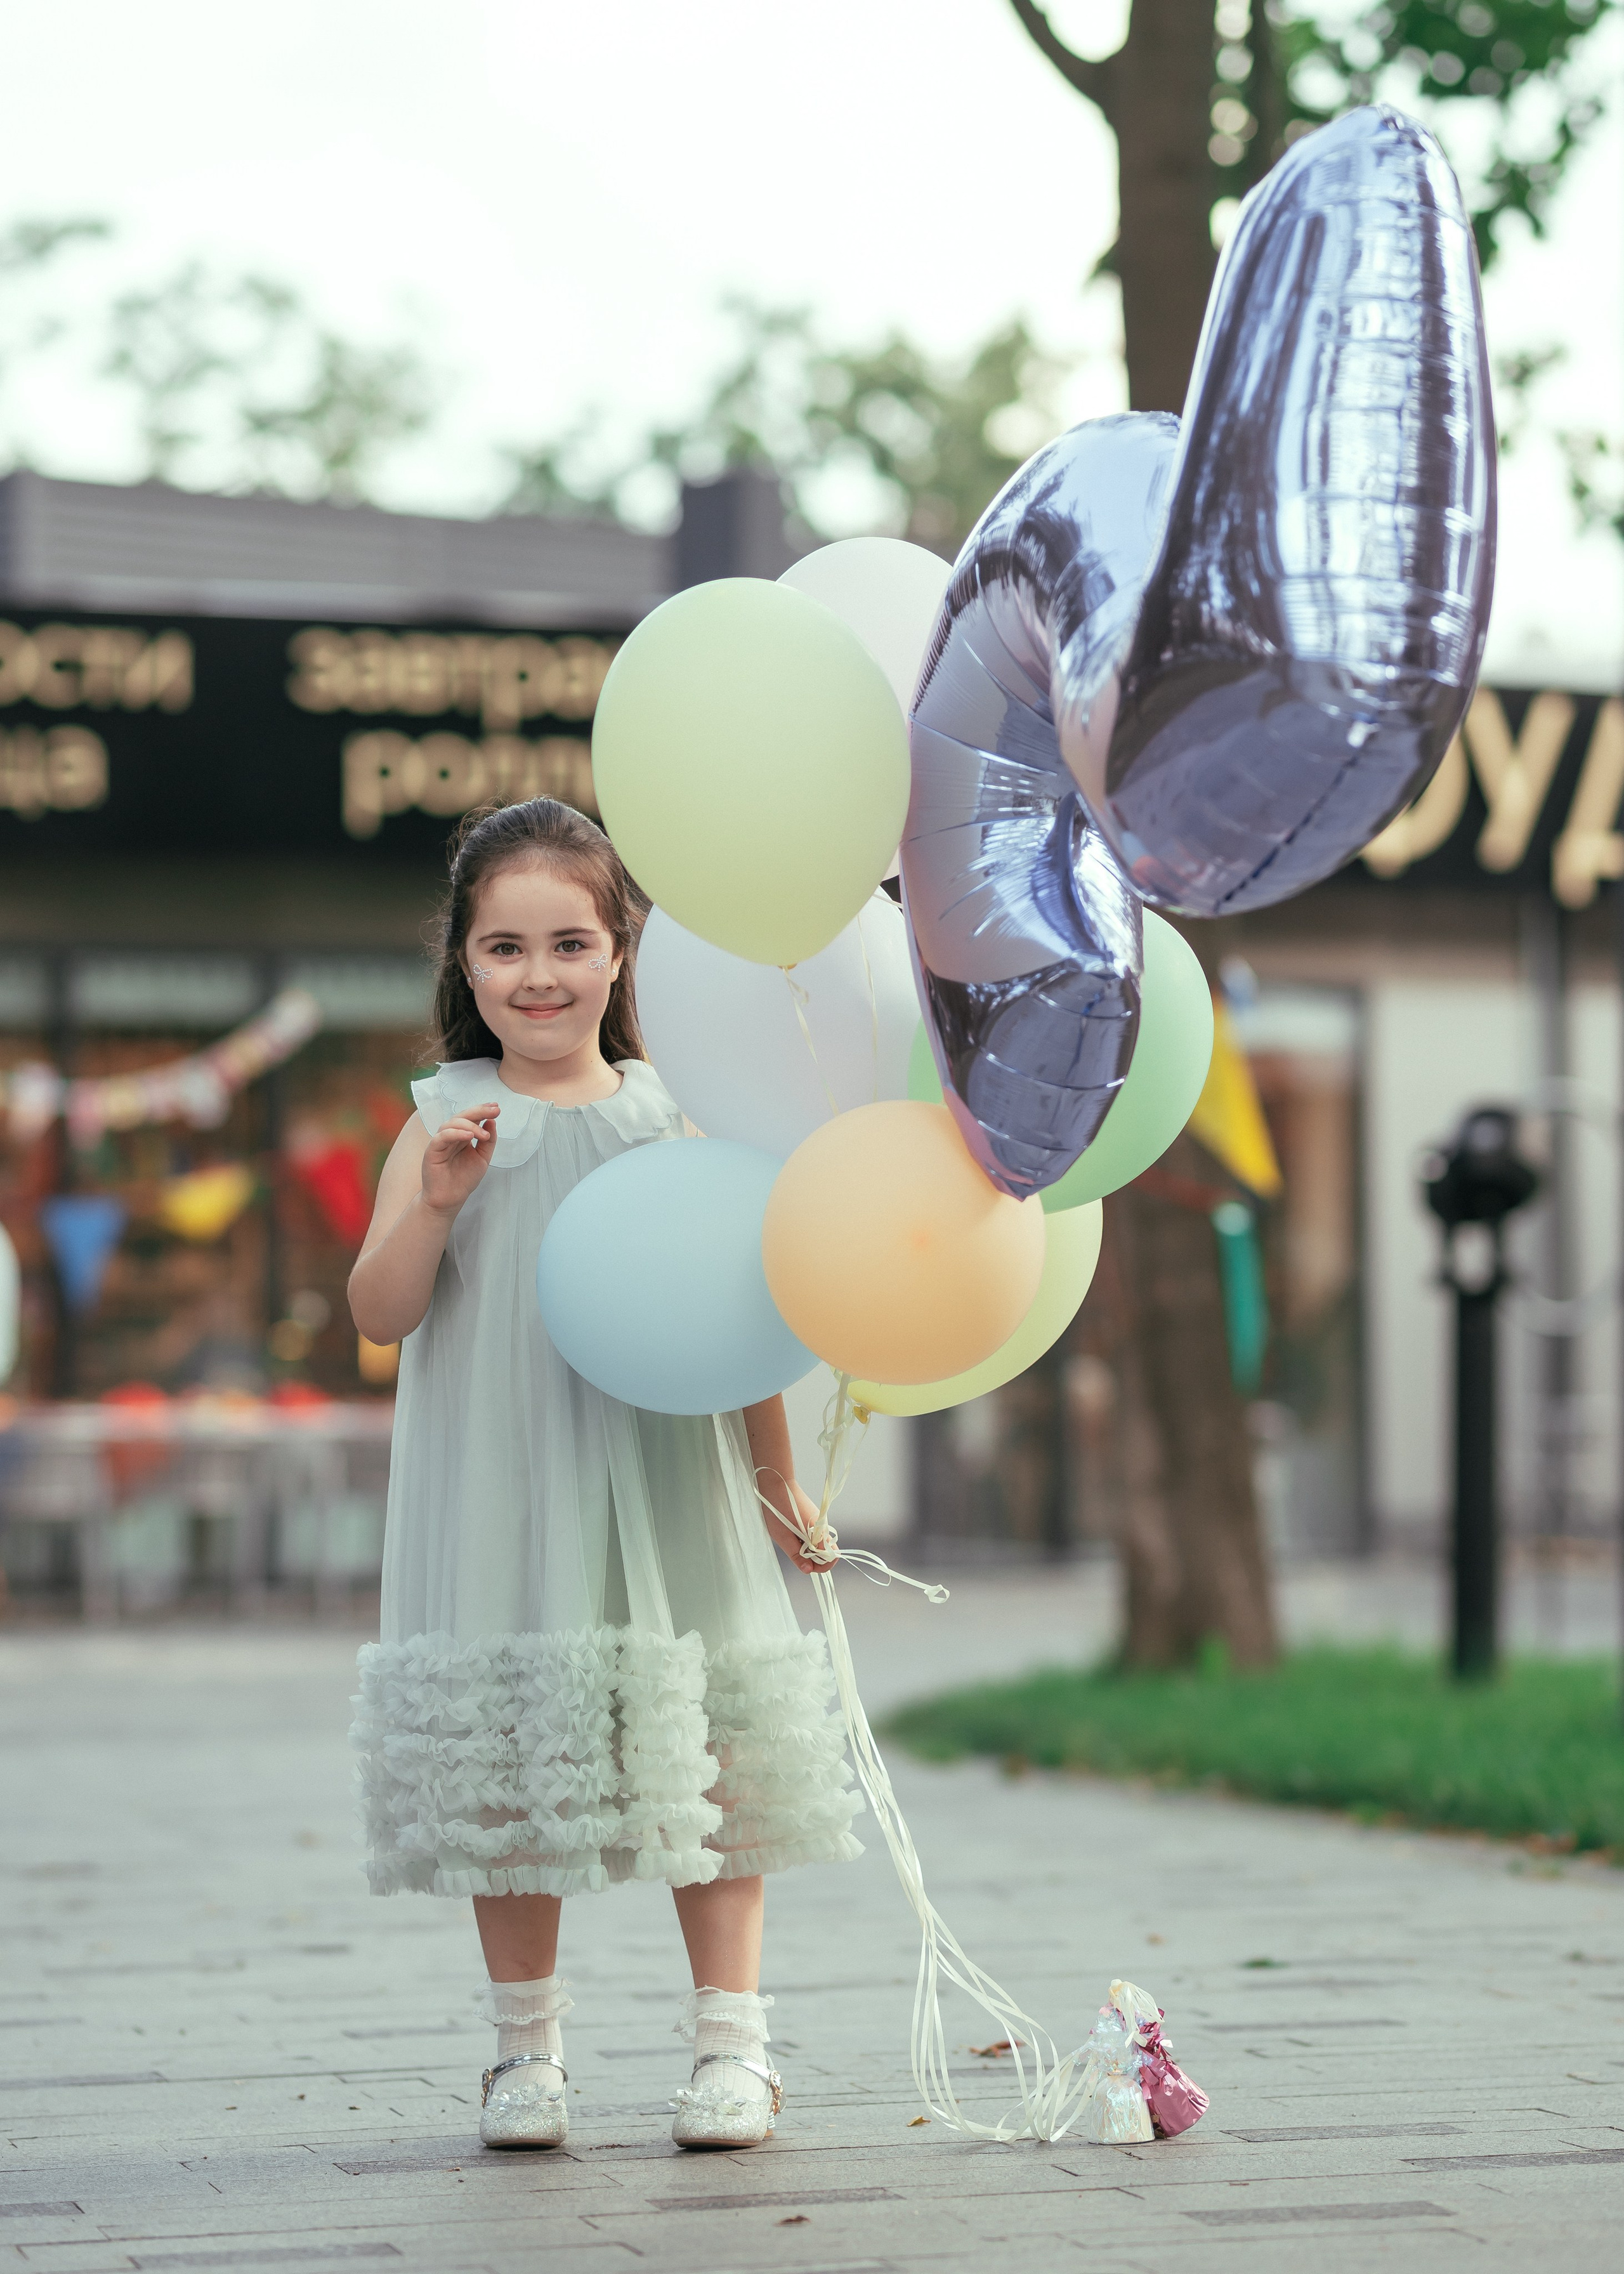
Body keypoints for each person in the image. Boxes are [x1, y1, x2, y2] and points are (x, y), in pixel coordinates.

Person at [348, 797, 861, 2153]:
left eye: (570, 941)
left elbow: (737, 1305)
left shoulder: (675, 1116)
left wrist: (774, 1477)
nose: (540, 975)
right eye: (505, 946)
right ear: (463, 963)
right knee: (521, 1742)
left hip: (660, 1459)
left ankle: (732, 2044)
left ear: (621, 953)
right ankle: (524, 2050)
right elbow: (381, 1308)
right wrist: (437, 1204)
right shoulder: (442, 1118)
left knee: (709, 1745)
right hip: (507, 1468)